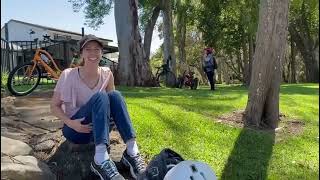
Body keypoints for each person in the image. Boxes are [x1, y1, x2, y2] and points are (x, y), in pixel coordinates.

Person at [51, 34, 146, 180]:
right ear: (81, 53)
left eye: (97, 49)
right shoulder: (68, 75)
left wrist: (111, 122)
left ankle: (132, 151)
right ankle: (100, 159)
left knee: (115, 95)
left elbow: (114, 105)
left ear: (102, 52)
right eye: (88, 49)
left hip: (98, 130)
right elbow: (54, 106)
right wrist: (71, 124)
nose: (93, 53)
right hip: (75, 129)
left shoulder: (107, 73)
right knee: (101, 96)